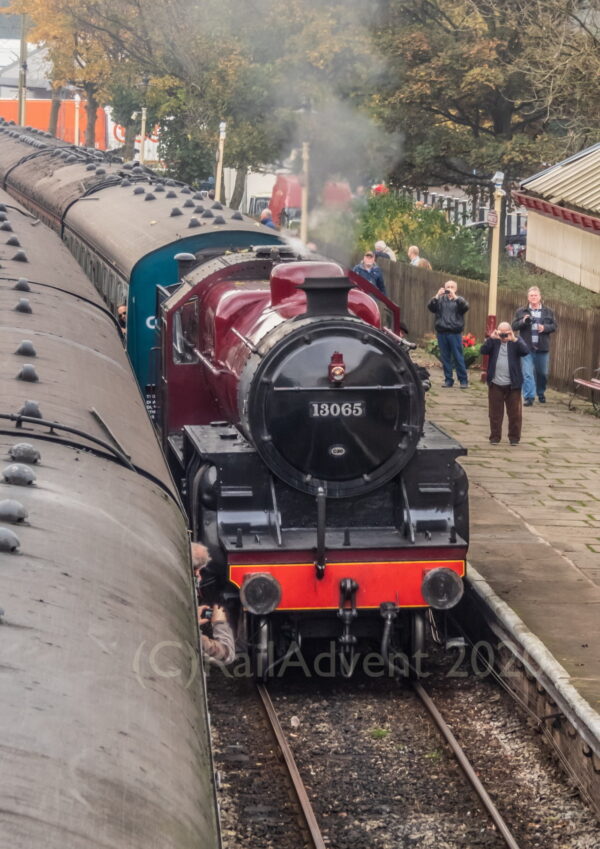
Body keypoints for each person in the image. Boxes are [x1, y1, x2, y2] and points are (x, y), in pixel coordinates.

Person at [480, 322, 530, 445]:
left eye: (505, 333)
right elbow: (483, 350)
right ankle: (495, 437)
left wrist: (514, 339)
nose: (503, 336)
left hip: (513, 384)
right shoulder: (494, 342)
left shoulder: (515, 342)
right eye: (500, 332)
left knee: (515, 414)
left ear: (510, 331)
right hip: (495, 382)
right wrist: (491, 338)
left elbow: (526, 351)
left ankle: (514, 438)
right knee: (495, 413)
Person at [511, 286, 557, 406]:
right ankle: (529, 397)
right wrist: (523, 321)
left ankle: (540, 392)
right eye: (531, 295)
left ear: (540, 297)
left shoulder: (548, 311)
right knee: (527, 373)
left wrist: (544, 328)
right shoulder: (521, 311)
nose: (533, 297)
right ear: (528, 297)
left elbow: (554, 326)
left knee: (542, 373)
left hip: (542, 348)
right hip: (526, 347)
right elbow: (514, 326)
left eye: (535, 295)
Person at [191, 542, 235, 664]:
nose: (199, 578)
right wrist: (220, 623)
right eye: (198, 572)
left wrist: (192, 617)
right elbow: (227, 655)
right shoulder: (194, 638)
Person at [427, 280, 469, 388]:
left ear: (456, 289)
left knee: (458, 357)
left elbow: (465, 307)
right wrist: (436, 296)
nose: (449, 288)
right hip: (442, 332)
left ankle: (463, 380)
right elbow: (430, 307)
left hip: (455, 333)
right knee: (445, 358)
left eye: (452, 287)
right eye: (448, 287)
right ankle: (448, 380)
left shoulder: (459, 300)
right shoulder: (440, 300)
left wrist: (454, 296)